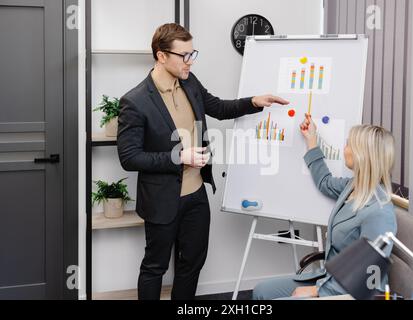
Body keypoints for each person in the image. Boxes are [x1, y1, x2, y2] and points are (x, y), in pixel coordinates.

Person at [117, 23, 289, 300]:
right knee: (155, 267)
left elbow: (218, 107)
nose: (191, 61)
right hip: (162, 201)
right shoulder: (135, 101)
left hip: (196, 195)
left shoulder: (189, 82)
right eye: (184, 55)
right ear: (161, 56)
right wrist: (178, 157)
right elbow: (129, 157)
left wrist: (254, 101)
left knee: (192, 264)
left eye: (192, 53)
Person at [253, 114, 398, 300]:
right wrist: (311, 140)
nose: (344, 149)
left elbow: (367, 273)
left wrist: (318, 291)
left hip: (351, 291)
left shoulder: (380, 211)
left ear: (362, 154)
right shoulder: (353, 186)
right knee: (261, 291)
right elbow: (325, 182)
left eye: (348, 144)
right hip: (329, 277)